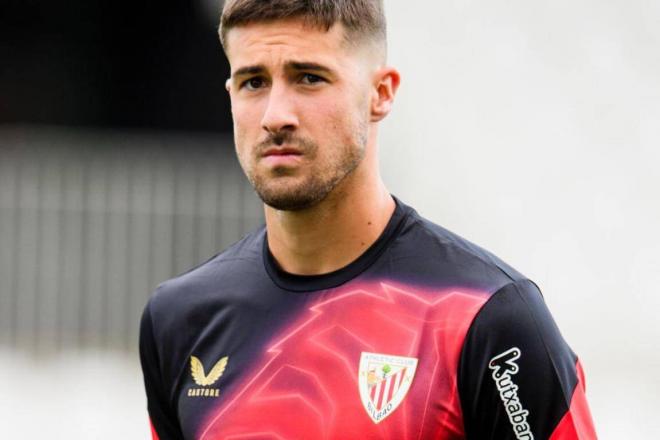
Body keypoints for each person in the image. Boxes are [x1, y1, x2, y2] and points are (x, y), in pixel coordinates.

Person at [139, 1, 597, 439]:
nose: (276, 115)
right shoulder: (179, 319)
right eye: (254, 82)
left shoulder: (486, 316)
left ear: (381, 93)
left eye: (309, 77)